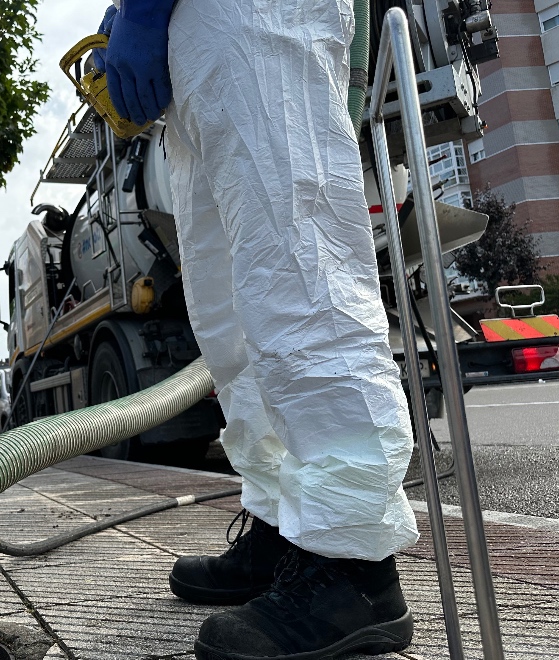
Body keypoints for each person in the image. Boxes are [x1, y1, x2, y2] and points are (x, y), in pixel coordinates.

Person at [95, 2, 419, 659]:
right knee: (234, 315)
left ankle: (353, 564)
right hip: (199, 51)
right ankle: (284, 522)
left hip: (259, 17)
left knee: (302, 279)